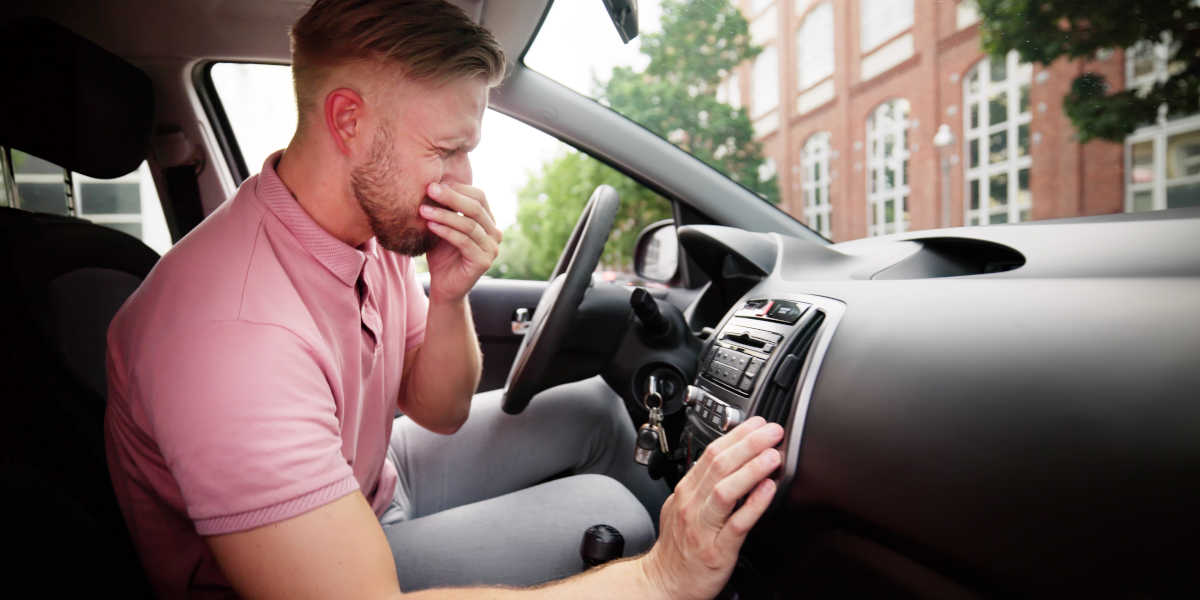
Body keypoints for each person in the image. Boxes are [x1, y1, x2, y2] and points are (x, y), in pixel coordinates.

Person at [103, 0, 785, 597]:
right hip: (311, 562)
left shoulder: (372, 229)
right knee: (617, 515)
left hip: (372, 479)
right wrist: (663, 576)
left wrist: (451, 295)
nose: (464, 180)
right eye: (446, 149)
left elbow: (439, 410)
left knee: (600, 412)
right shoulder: (234, 333)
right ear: (347, 120)